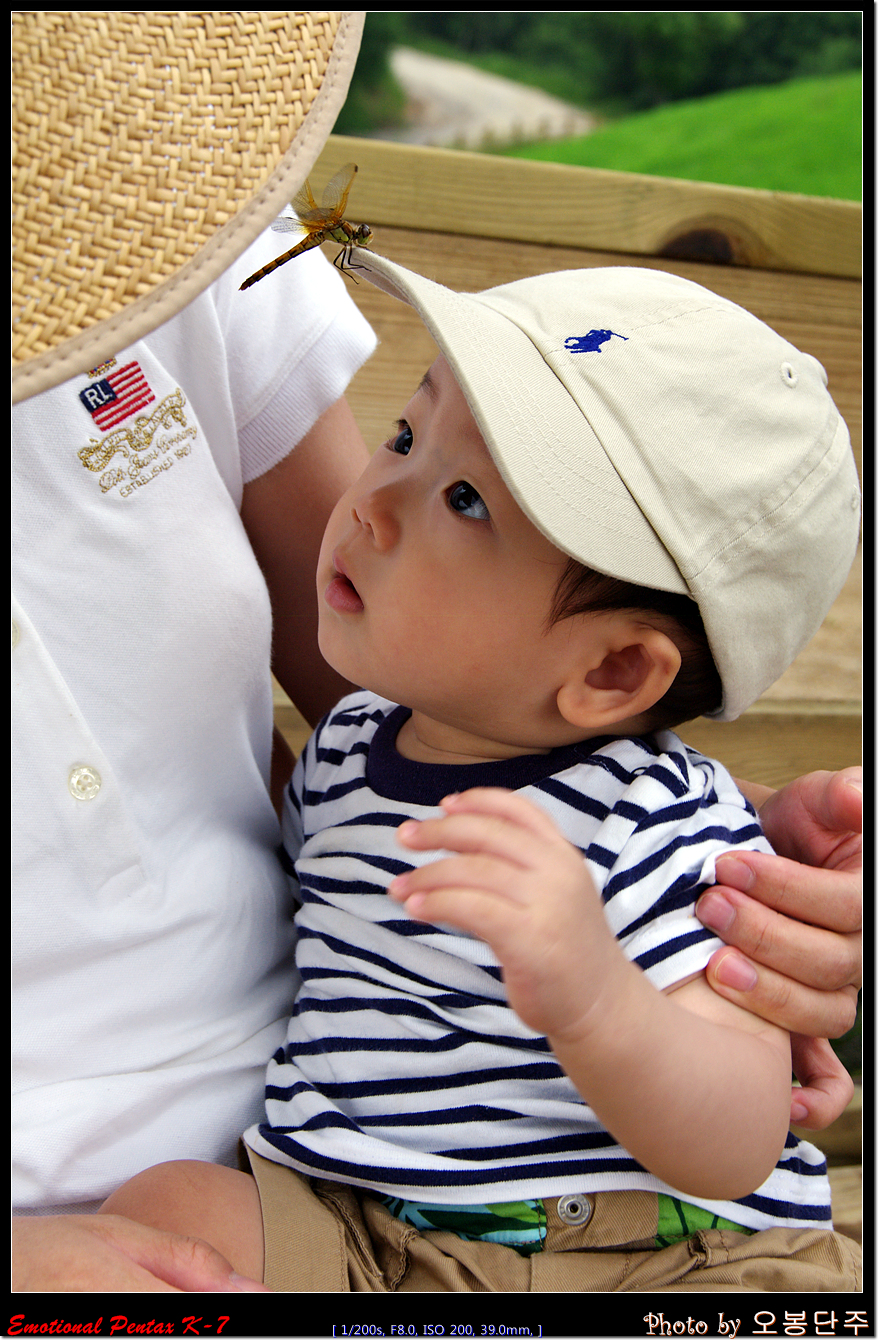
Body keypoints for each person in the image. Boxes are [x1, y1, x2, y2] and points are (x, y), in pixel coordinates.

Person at [99, 260, 862, 1292]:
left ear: (611, 671)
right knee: (169, 1210)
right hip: (373, 1225)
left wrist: (593, 996)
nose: (372, 506)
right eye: (404, 436)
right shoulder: (344, 753)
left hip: (649, 1250)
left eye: (464, 501)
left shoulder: (653, 823)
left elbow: (737, 1139)